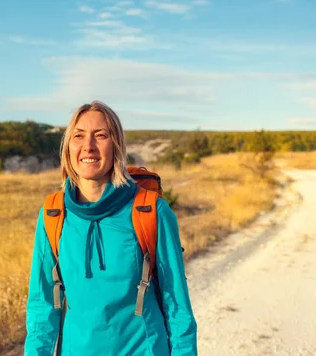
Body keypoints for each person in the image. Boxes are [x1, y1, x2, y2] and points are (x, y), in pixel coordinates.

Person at [24, 101, 198, 355]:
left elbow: (176, 303)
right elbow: (43, 306)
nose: (88, 146)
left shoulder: (150, 211)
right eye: (78, 136)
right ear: (68, 147)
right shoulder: (53, 214)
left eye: (101, 135)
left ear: (116, 146)